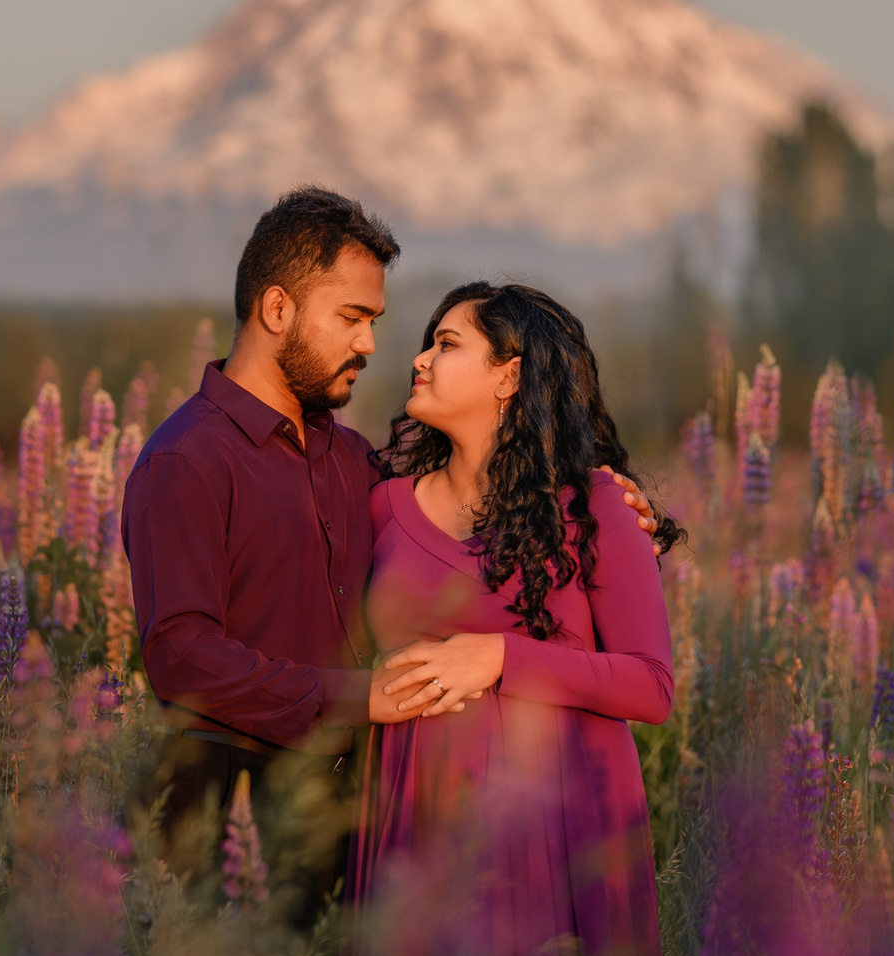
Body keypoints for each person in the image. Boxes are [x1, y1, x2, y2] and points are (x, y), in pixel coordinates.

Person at [119, 190, 657, 905]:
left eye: (373, 321)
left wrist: (603, 509)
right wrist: (357, 697)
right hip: (229, 800)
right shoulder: (186, 460)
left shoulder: (352, 462)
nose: (371, 345)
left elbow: (460, 537)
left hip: (361, 808)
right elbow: (180, 655)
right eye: (352, 318)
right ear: (277, 310)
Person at [355, 281, 682, 956]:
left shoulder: (595, 507)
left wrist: (499, 656)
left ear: (509, 374)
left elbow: (651, 686)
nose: (419, 359)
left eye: (446, 344)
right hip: (419, 822)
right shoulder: (384, 507)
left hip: (558, 825)